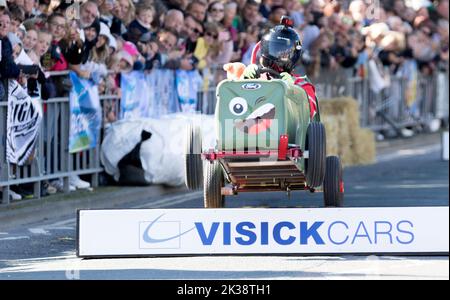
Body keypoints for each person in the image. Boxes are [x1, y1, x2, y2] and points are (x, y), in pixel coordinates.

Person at [243, 16, 319, 120]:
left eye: (285, 51)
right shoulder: (256, 77)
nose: (279, 55)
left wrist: (294, 90)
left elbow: (310, 111)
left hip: (287, 132)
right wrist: (243, 80)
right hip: (252, 130)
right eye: (275, 49)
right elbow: (237, 103)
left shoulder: (302, 85)